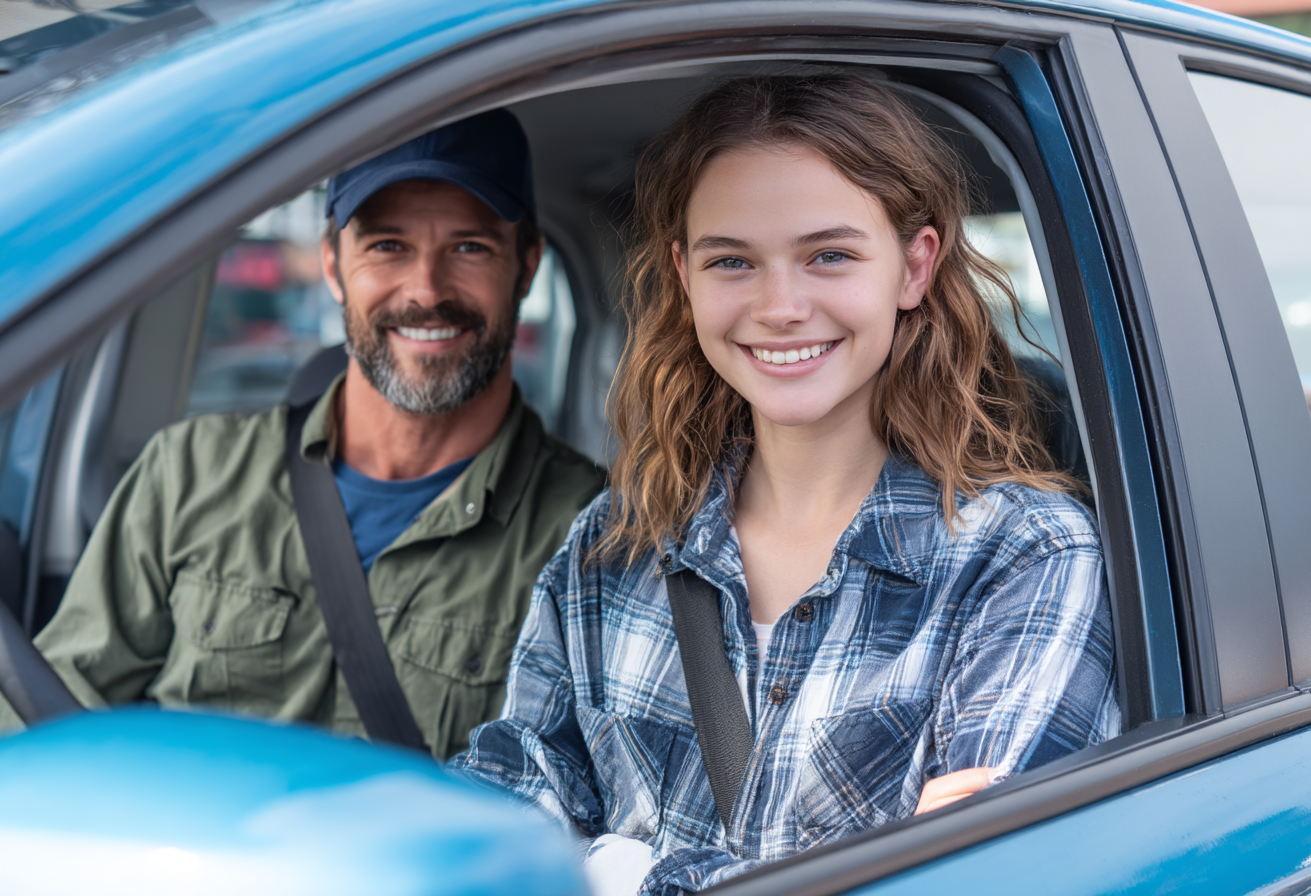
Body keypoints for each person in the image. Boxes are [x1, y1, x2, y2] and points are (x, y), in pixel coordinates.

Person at [451, 75, 1120, 894]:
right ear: (686, 278)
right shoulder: (611, 544)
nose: (780, 306)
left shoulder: (1024, 560)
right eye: (732, 261)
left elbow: (974, 882)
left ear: (915, 267)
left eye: (829, 255)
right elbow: (499, 821)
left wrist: (614, 867)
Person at [0, 110, 605, 759]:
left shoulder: (593, 535)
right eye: (387, 246)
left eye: (469, 248)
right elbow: (51, 733)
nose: (426, 290)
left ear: (528, 265)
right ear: (331, 263)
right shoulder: (187, 473)